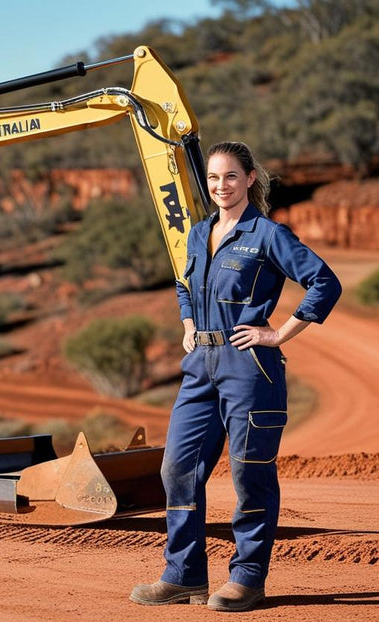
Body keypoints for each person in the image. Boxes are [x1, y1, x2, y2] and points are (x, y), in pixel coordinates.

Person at [130, 142, 341, 612]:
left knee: (250, 476)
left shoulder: (267, 234)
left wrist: (279, 333)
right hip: (198, 370)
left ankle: (248, 577)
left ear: (249, 179)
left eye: (230, 177)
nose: (220, 186)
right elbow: (185, 284)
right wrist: (188, 325)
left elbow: (324, 281)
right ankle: (183, 575)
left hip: (250, 369)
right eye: (212, 178)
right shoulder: (198, 233)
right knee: (178, 468)